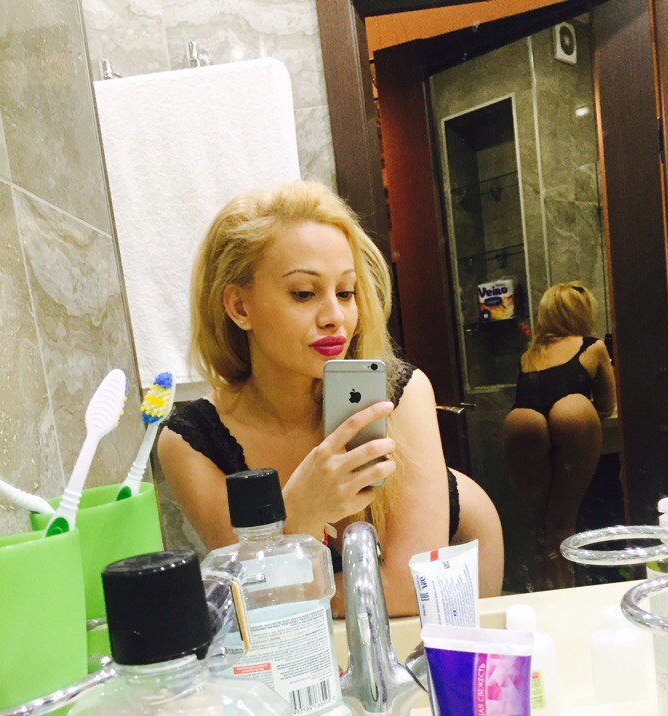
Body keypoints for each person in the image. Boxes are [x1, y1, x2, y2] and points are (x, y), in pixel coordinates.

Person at [158, 180, 503, 616]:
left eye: (345, 292)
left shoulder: (400, 393)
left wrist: (281, 570)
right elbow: (254, 603)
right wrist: (299, 514)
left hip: (457, 570)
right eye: (304, 293)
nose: (335, 317)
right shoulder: (192, 442)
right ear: (240, 308)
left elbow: (405, 590)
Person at [502, 282, 616, 589]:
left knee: (539, 518)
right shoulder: (592, 347)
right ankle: (564, 584)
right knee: (562, 518)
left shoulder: (529, 355)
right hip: (573, 420)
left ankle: (543, 581)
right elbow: (607, 406)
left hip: (522, 423)